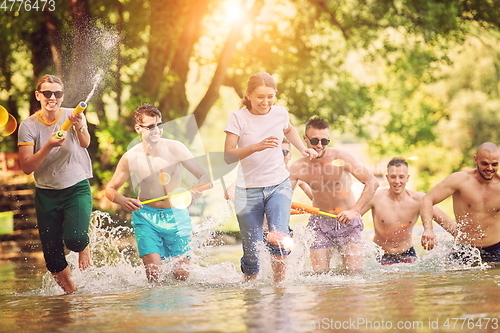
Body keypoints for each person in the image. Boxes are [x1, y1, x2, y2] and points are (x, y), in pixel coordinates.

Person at [224, 72, 317, 283]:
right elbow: (229, 155)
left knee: (279, 236)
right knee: (252, 250)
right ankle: (250, 288)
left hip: (278, 185)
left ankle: (280, 287)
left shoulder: (280, 113)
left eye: (270, 96)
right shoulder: (238, 118)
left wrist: (303, 149)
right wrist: (256, 146)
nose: (265, 102)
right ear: (248, 95)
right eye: (259, 97)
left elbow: (289, 129)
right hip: (247, 190)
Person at [105, 104, 210, 282]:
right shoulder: (131, 157)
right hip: (146, 217)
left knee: (182, 275)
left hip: (177, 215)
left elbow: (205, 177)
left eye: (159, 125)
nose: (156, 130)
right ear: (138, 128)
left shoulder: (176, 148)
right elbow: (110, 189)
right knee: (154, 276)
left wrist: (195, 190)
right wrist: (122, 200)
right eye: (150, 126)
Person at [18, 74, 92, 294]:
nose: (53, 97)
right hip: (46, 193)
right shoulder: (28, 126)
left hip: (76, 187)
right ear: (38, 95)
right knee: (52, 257)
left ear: (62, 96)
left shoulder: (74, 114)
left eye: (57, 93)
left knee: (76, 238)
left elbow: (85, 143)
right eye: (47, 93)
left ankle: (83, 245)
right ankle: (72, 295)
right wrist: (49, 145)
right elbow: (27, 166)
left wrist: (79, 126)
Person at [289, 116, 379, 273]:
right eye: (314, 141)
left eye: (324, 142)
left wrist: (354, 211)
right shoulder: (297, 168)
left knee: (354, 275)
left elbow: (372, 182)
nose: (319, 145)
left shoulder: (341, 157)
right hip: (319, 224)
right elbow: (282, 198)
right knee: (321, 277)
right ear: (304, 139)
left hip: (348, 222)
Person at [360, 158, 456, 265]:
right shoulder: (375, 197)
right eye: (393, 177)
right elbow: (353, 218)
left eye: (401, 177)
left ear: (407, 178)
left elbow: (450, 225)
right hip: (380, 256)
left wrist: (468, 245)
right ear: (387, 177)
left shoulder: (420, 200)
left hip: (408, 255)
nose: (397, 181)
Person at [421, 142, 500, 263]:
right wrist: (428, 229)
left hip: (496, 249)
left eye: (494, 164)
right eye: (484, 163)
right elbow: (427, 199)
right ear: (475, 159)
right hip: (465, 249)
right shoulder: (460, 180)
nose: (489, 168)